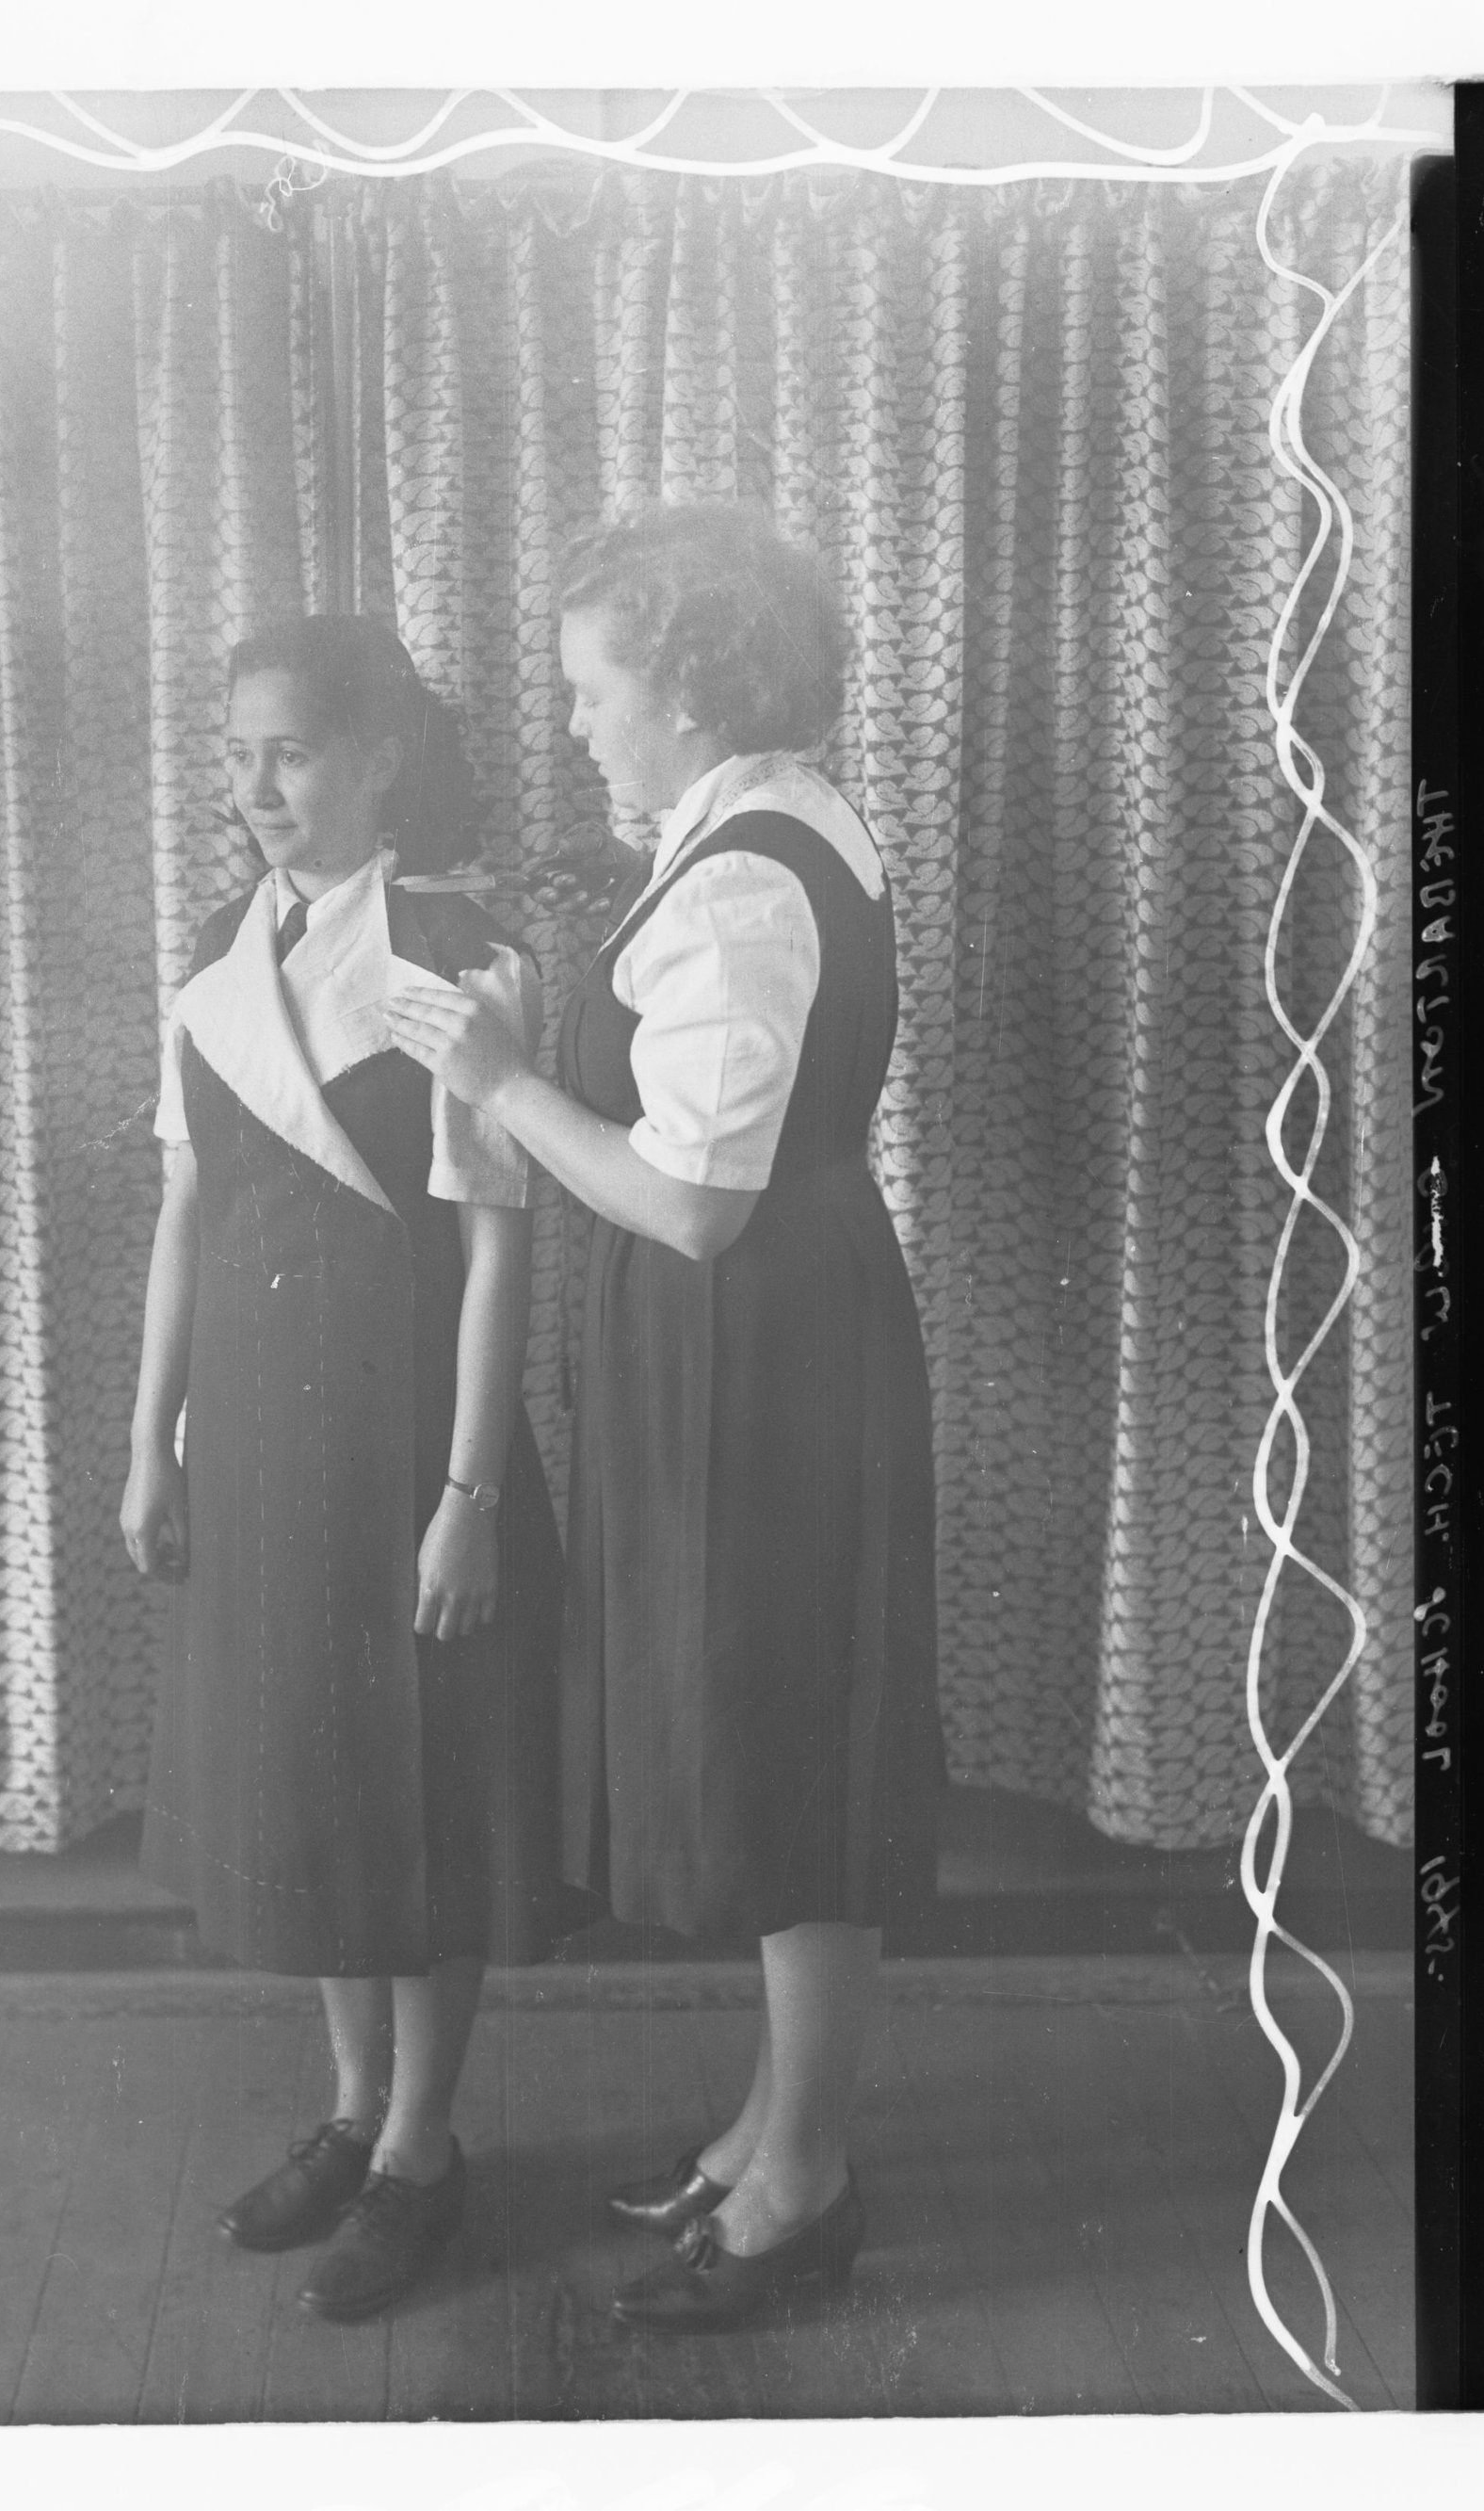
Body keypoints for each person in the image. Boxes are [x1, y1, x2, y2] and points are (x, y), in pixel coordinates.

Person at [388, 503, 940, 2334]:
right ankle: (771, 2125)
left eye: (593, 688)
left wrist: (504, 1077)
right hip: (766, 1336)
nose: (574, 724)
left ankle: (805, 2179)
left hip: (754, 1348)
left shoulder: (742, 875)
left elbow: (698, 1198)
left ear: (688, 694)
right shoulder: (757, 828)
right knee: (780, 1728)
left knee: (787, 1742)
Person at [121, 615, 563, 2324]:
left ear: (377, 754)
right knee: (305, 1776)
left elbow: (495, 1251)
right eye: (237, 755)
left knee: (423, 1787)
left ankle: (421, 2148)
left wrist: (469, 1494)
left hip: (405, 1447)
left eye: (290, 750)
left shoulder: (459, 958)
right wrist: (152, 1439)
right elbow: (185, 1218)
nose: (255, 789)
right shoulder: (218, 971)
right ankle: (349, 2104)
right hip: (252, 1439)